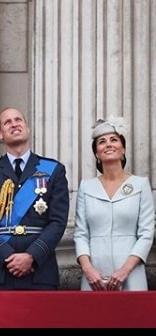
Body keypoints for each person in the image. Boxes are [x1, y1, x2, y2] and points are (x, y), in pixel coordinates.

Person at [0, 107, 69, 290]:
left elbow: (58, 222)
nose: (14, 124)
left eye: (18, 120)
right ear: (0, 134)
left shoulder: (53, 169)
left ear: (27, 128)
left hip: (40, 270)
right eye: (7, 122)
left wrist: (31, 256)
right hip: (0, 270)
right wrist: (6, 256)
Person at [74, 116, 154, 291]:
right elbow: (81, 233)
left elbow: (146, 233)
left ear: (123, 149)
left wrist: (125, 271)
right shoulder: (86, 187)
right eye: (102, 142)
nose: (108, 144)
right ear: (96, 152)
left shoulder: (140, 185)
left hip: (131, 272)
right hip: (94, 274)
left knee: (132, 318)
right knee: (93, 318)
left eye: (114, 140)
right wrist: (88, 270)